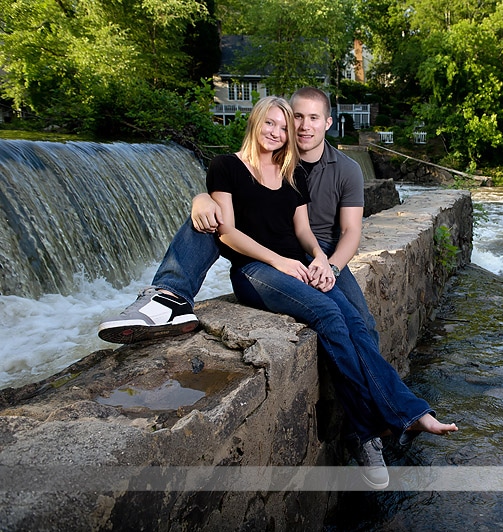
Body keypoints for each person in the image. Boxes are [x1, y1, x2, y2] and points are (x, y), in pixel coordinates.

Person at [99, 92, 457, 489]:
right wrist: (278, 261)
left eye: (283, 127)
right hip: (256, 271)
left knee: (355, 322)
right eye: (271, 123)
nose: (278, 132)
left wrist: (320, 260)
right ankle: (370, 425)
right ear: (254, 122)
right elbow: (227, 232)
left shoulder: (293, 174)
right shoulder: (226, 167)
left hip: (300, 267)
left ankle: (405, 413)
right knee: (329, 316)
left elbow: (304, 231)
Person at [98, 86, 377, 346]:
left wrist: (332, 266)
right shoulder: (267, 156)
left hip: (320, 252)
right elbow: (236, 187)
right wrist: (202, 198)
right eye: (297, 117)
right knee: (210, 217)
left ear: (327, 123)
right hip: (266, 247)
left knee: (361, 321)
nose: (304, 126)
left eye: (314, 118)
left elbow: (351, 231)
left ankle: (380, 385)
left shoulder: (344, 168)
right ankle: (169, 296)